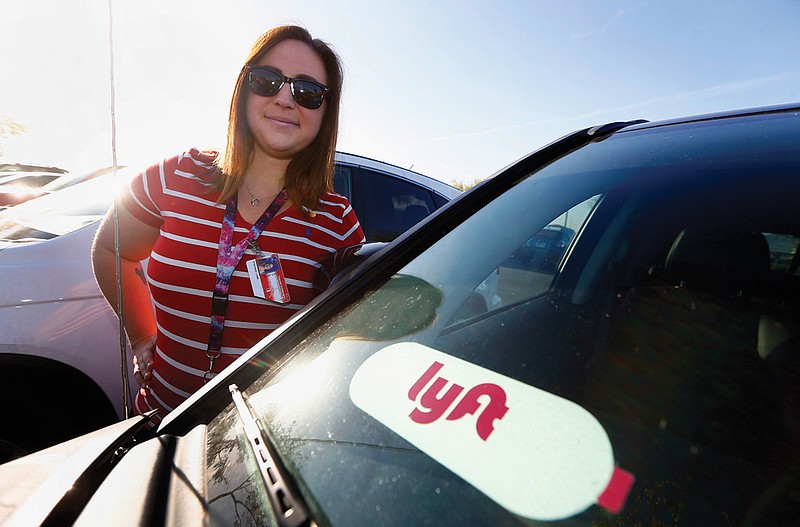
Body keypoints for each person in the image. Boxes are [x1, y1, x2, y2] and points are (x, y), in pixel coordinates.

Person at [92, 25, 364, 425]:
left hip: (257, 451)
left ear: (326, 112)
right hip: (156, 426)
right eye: (268, 80)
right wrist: (140, 335)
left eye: (308, 92)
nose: (286, 99)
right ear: (244, 89)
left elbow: (348, 341)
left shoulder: (337, 222)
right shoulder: (173, 177)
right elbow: (110, 251)